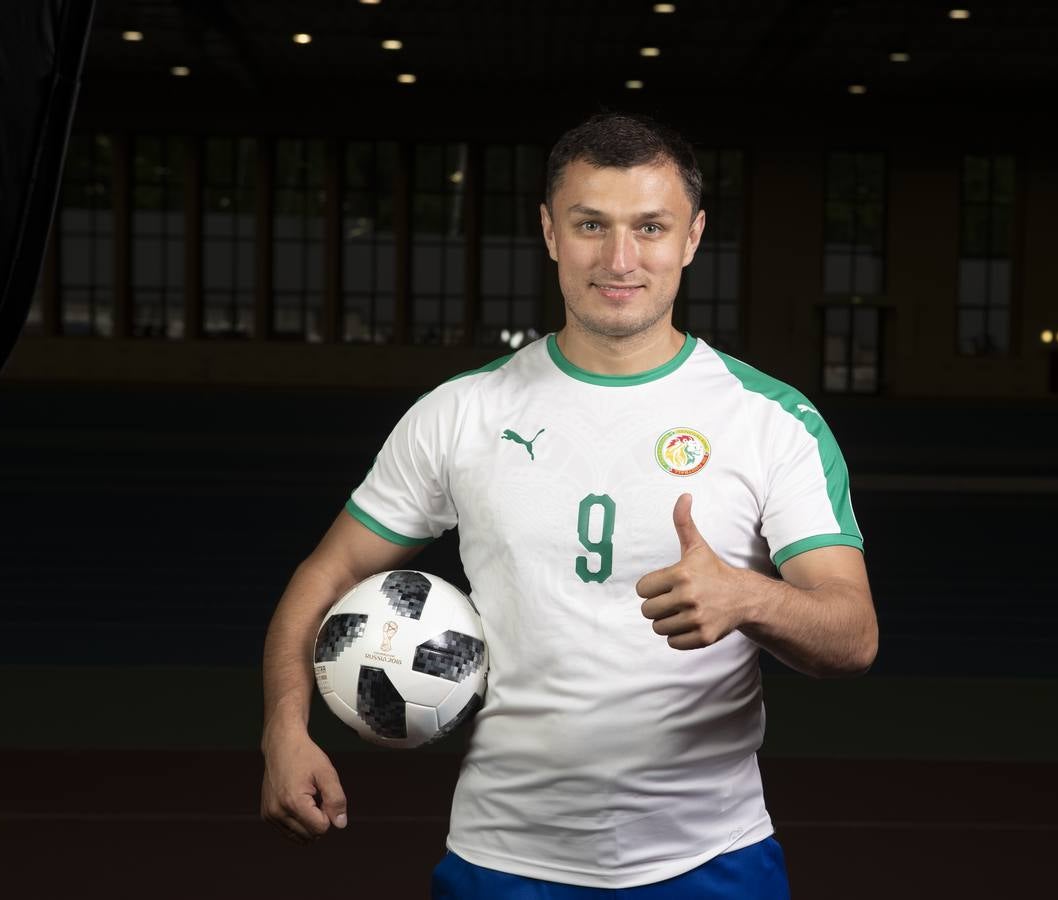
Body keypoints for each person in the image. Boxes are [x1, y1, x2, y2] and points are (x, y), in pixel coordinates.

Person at [260, 111, 878, 899]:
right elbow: (328, 571)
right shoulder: (462, 413)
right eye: (592, 224)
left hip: (711, 860)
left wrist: (748, 597)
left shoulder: (770, 420)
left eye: (650, 227)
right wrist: (284, 729)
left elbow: (853, 634)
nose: (620, 259)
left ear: (692, 239)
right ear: (551, 232)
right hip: (504, 861)